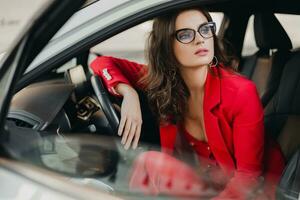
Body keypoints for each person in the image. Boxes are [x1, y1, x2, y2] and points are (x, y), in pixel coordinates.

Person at [90, 7, 285, 199]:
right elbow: (102, 63)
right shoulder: (164, 82)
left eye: (205, 29)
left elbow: (247, 179)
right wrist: (128, 92)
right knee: (147, 161)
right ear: (167, 46)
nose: (200, 39)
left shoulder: (241, 92)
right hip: (207, 181)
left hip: (255, 189)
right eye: (185, 35)